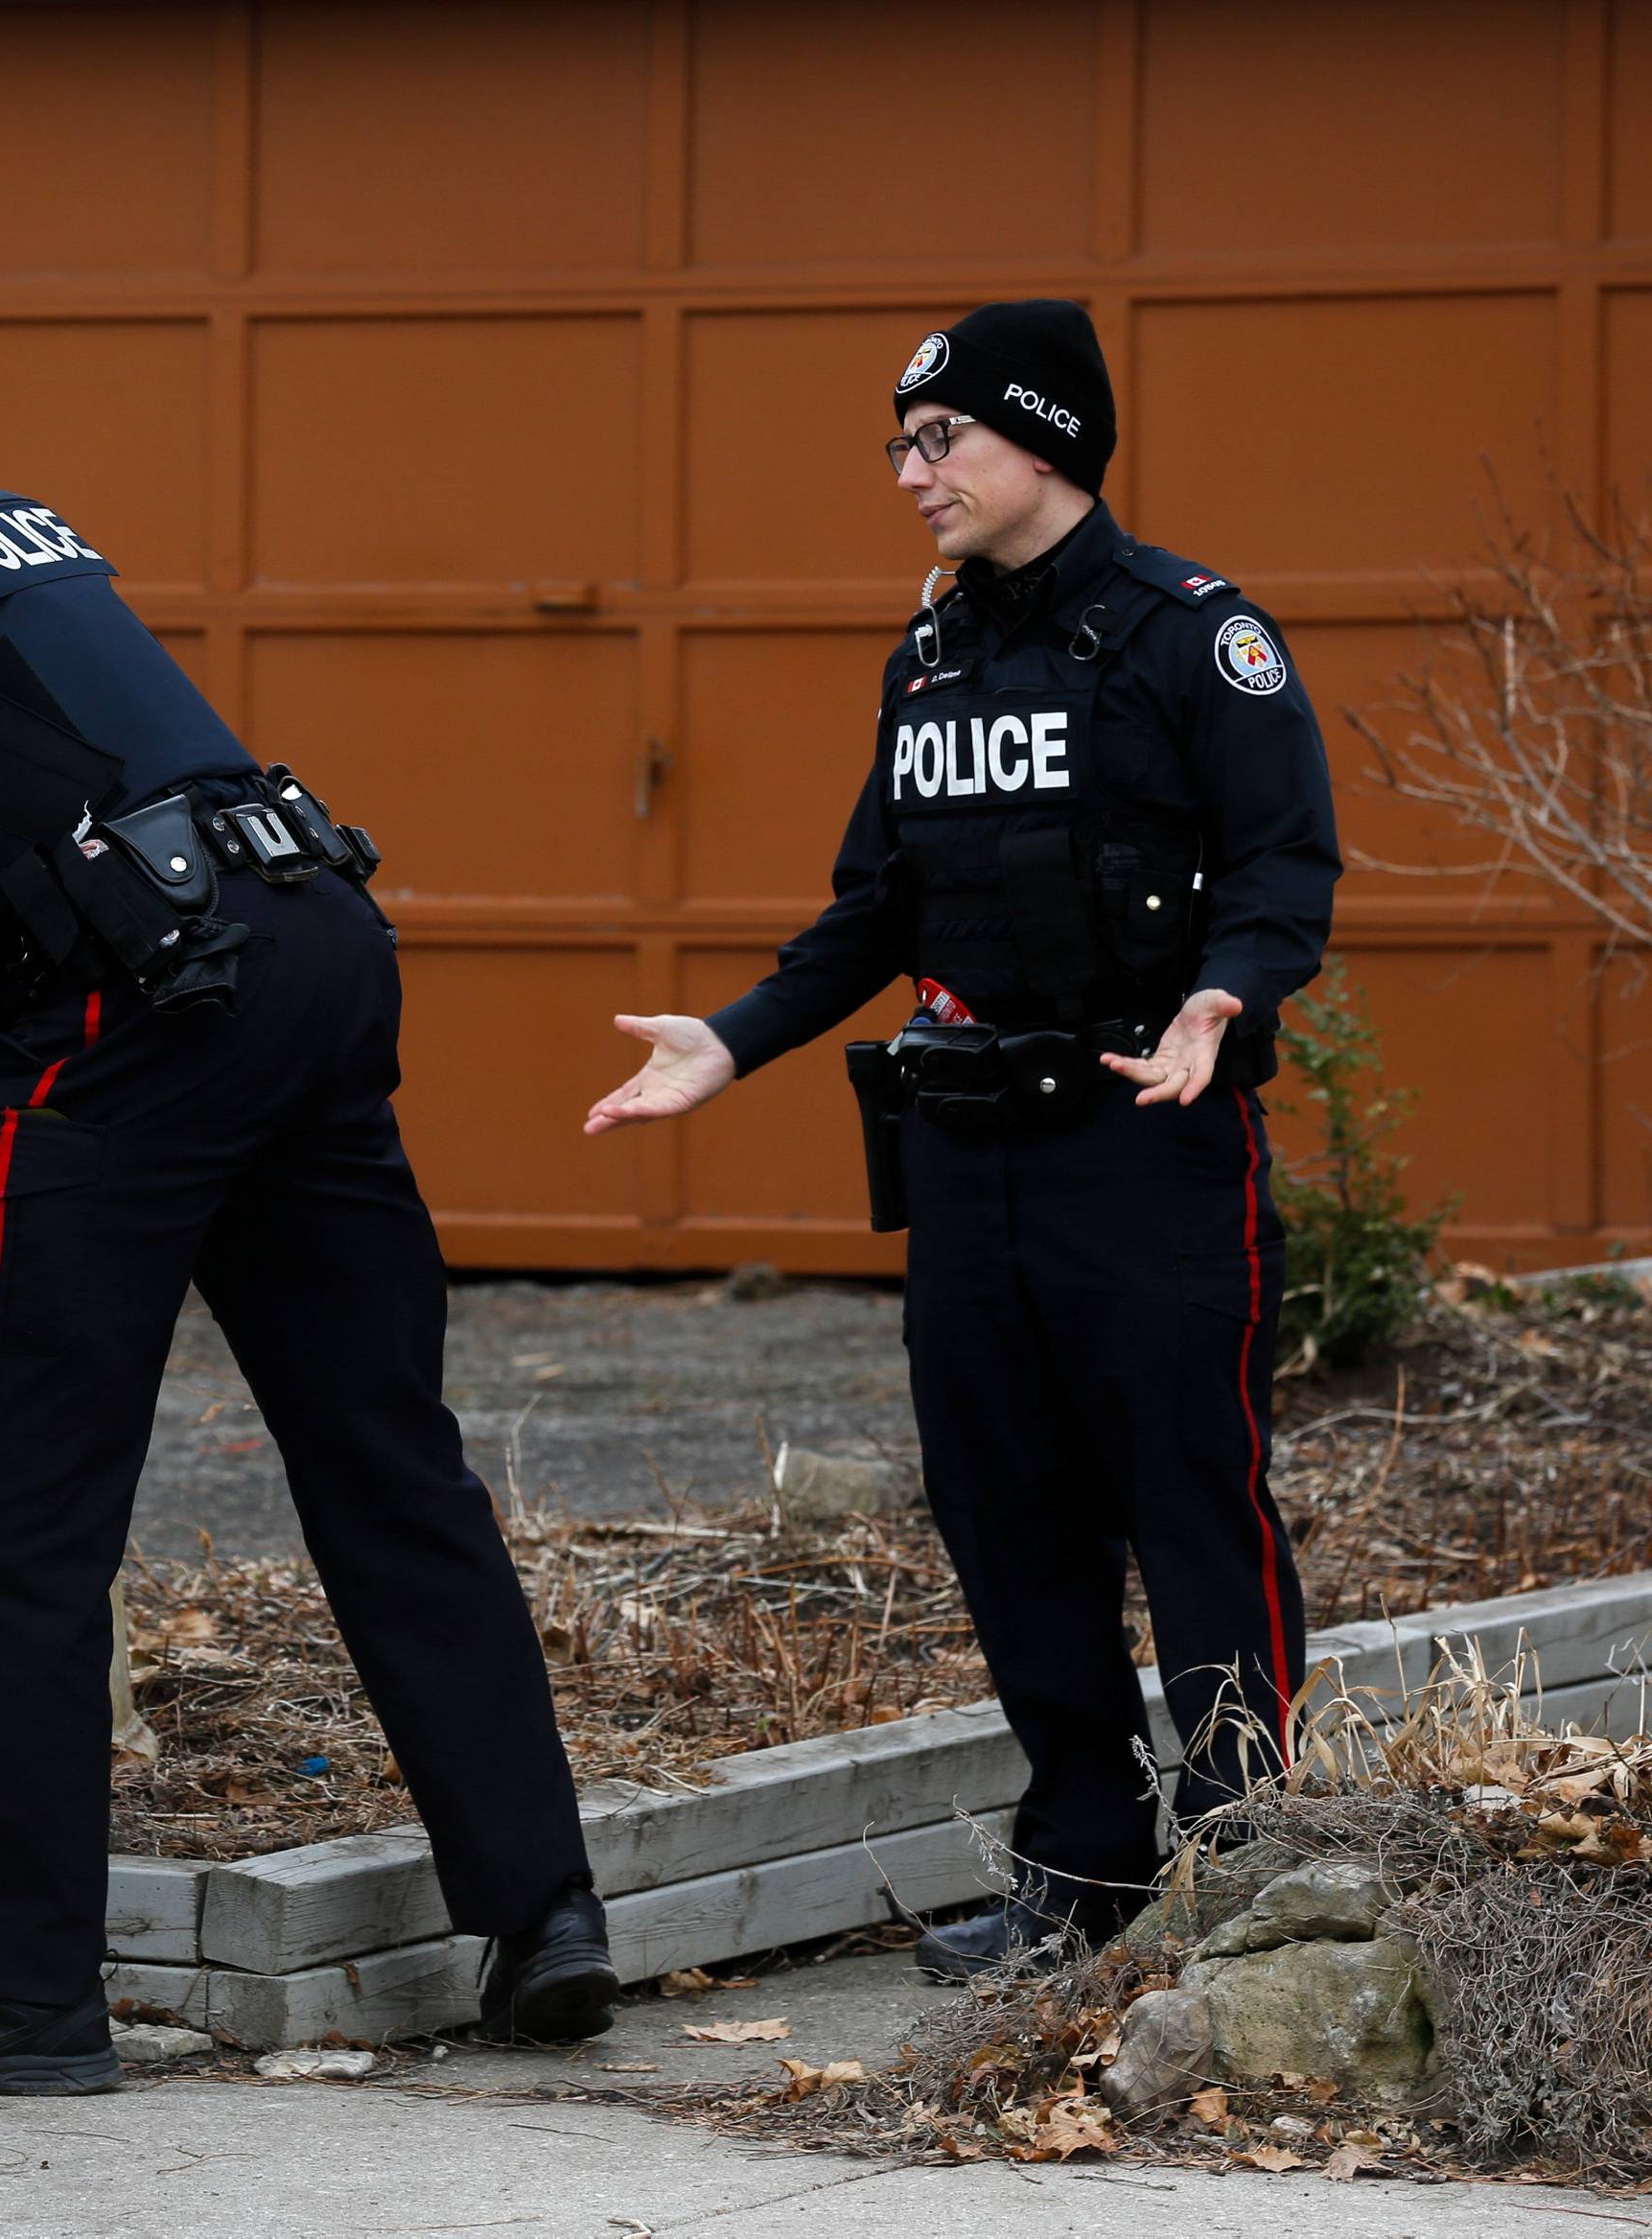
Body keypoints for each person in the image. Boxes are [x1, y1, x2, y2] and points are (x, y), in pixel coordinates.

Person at [0, 457, 616, 2094]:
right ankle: (546, 1919)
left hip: (132, 1021)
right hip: (298, 943)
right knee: (391, 1467)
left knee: (2, 1525)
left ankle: (13, 1998)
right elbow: (15, 896)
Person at [587, 302, 1340, 1977]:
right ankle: (1083, 1871)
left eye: (943, 440)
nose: (912, 473)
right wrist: (732, 1040)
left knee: (1191, 1506)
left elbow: (1289, 870)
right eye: (899, 444)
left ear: (1047, 442)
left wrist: (1221, 1001)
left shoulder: (1188, 636)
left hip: (1148, 1148)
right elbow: (878, 908)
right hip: (969, 1160)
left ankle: (1249, 1869)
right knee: (1004, 1516)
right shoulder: (929, 656)